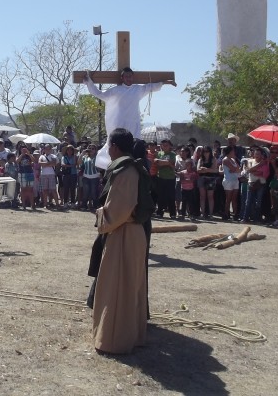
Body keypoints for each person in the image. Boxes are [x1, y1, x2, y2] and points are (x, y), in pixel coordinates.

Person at [92, 128, 147, 355]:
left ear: (114, 146)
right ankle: (130, 335)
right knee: (130, 286)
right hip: (132, 233)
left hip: (124, 233)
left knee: (118, 287)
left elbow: (118, 211)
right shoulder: (134, 167)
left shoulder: (125, 172)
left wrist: (99, 214)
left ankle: (116, 340)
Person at [84, 68, 176, 169]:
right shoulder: (116, 90)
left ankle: (133, 168)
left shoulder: (137, 89)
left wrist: (164, 82)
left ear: (133, 77)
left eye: (130, 76)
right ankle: (114, 167)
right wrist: (89, 82)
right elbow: (99, 93)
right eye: (126, 76)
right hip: (118, 124)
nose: (129, 78)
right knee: (117, 146)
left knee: (134, 147)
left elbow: (150, 87)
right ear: (122, 77)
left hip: (133, 124)